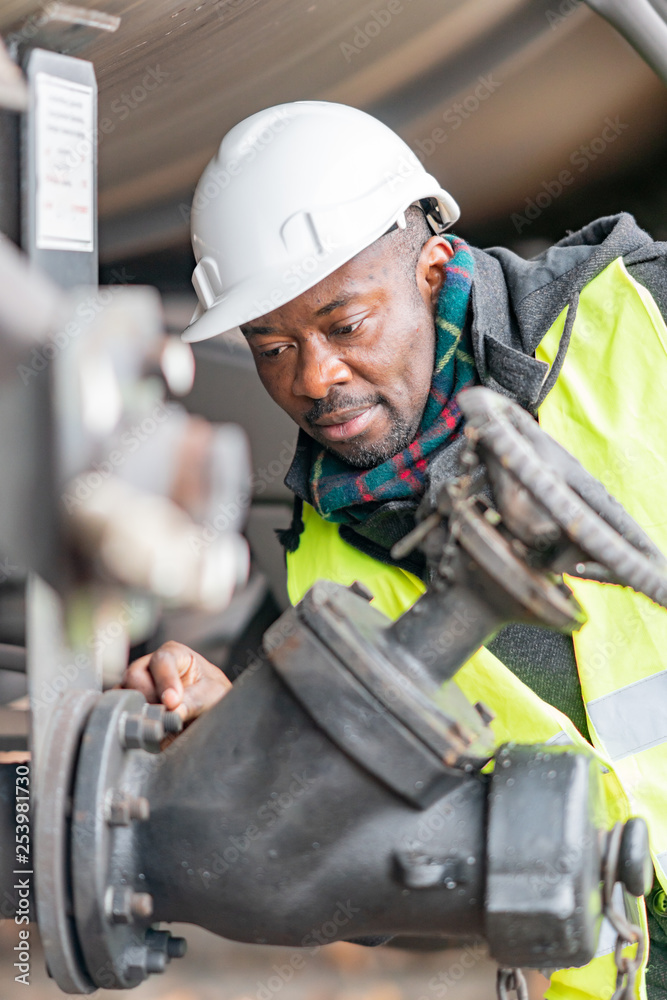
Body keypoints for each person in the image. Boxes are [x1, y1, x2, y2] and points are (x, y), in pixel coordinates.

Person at [122, 101, 667, 999]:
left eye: (344, 326)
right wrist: (241, 735)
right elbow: (384, 893)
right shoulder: (322, 569)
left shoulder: (639, 322)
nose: (311, 378)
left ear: (432, 268)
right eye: (271, 346)